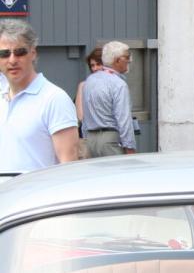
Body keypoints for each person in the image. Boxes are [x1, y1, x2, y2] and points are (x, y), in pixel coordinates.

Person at [0, 19, 79, 172]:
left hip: (37, 195)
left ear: (33, 54)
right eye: (4, 54)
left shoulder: (54, 99)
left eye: (20, 52)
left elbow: (68, 166)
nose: (12, 60)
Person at [80, 41, 137, 157]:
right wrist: (129, 147)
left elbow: (85, 115)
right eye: (126, 57)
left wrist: (86, 138)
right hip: (110, 140)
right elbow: (123, 119)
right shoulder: (118, 84)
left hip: (91, 140)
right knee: (119, 174)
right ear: (117, 60)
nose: (129, 60)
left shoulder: (89, 81)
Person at [74, 46, 103, 130]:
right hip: (88, 132)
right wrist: (81, 87)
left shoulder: (115, 85)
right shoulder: (84, 85)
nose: (95, 68)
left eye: (98, 64)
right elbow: (80, 116)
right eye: (92, 65)